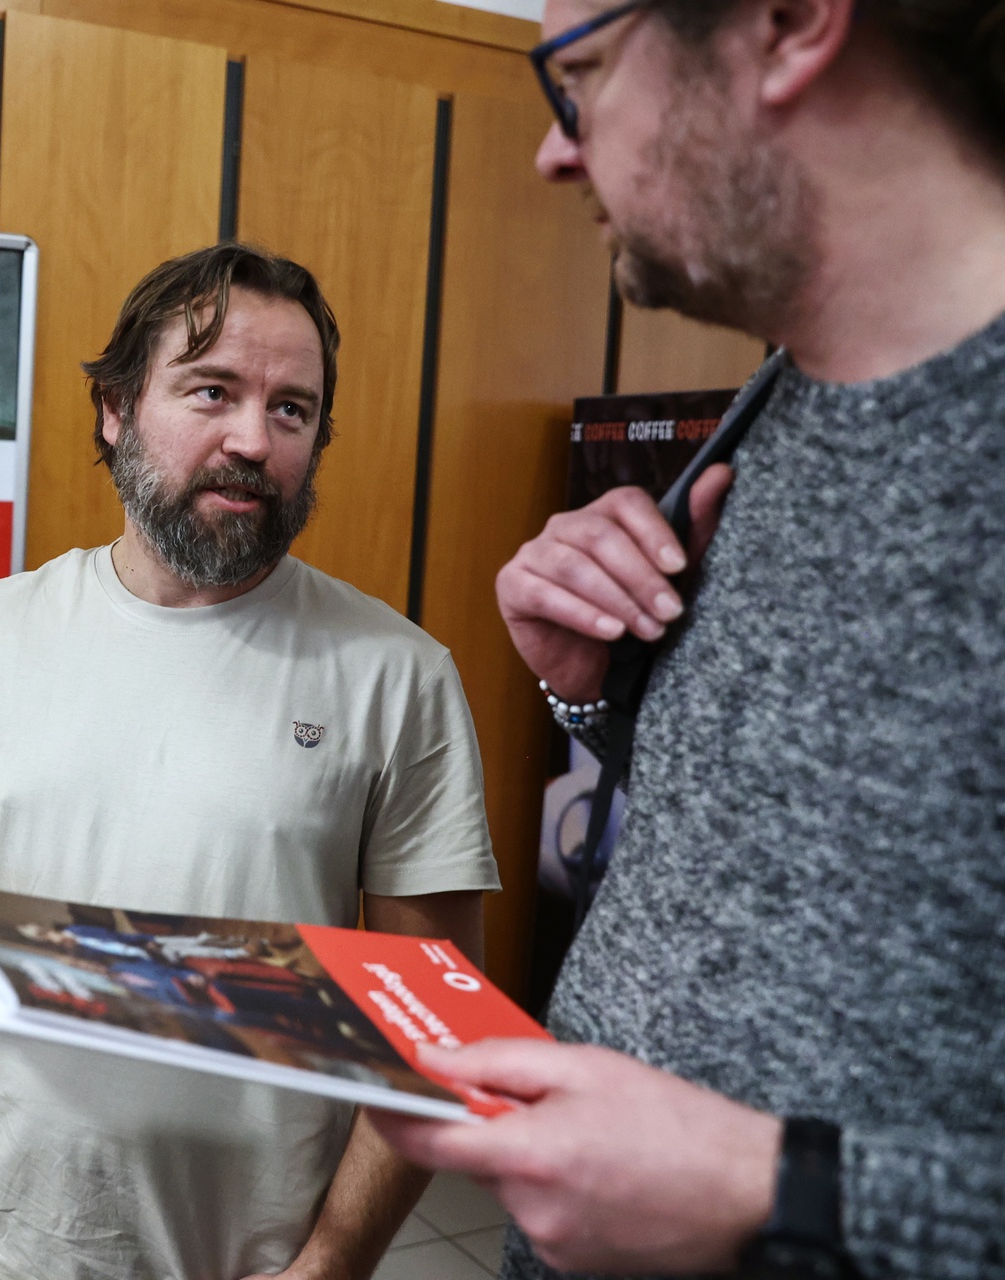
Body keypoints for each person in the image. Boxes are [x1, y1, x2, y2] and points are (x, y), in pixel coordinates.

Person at [368, 1, 1005, 1277]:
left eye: (582, 73)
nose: (555, 150)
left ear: (788, 23)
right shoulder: (780, 402)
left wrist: (773, 1191)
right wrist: (604, 694)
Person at [0, 242, 503, 1280]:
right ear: (116, 408)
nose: (253, 438)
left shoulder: (398, 675)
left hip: (253, 1261)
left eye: (292, 410)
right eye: (212, 391)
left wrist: (338, 1257)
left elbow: (436, 1019)